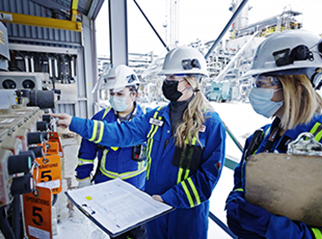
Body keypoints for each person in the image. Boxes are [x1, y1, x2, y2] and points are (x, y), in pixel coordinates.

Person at [52, 46, 226, 239]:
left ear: (190, 82)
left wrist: (169, 199)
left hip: (185, 216)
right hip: (153, 210)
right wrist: (75, 123)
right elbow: (120, 133)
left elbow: (207, 178)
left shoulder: (209, 123)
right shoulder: (156, 117)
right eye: (166, 79)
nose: (166, 83)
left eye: (171, 79)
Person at [225, 30, 322, 239]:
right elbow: (241, 183)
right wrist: (235, 204)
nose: (256, 90)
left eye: (263, 81)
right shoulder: (260, 138)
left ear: (297, 87)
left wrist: (282, 231)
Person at [76, 64, 148, 239]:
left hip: (137, 189)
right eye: (112, 94)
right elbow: (86, 153)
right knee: (114, 232)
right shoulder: (100, 119)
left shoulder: (148, 119)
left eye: (120, 94)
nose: (114, 98)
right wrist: (83, 178)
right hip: (106, 188)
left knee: (139, 233)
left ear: (134, 94)